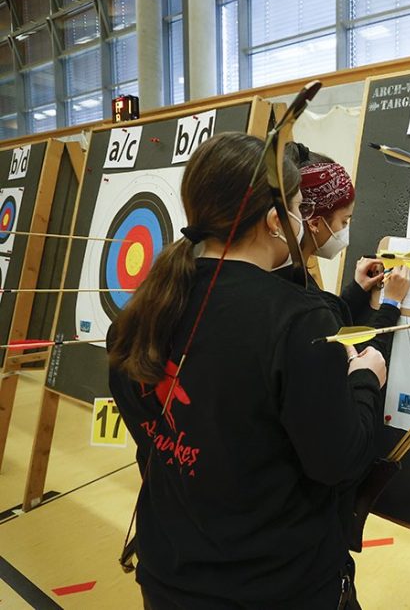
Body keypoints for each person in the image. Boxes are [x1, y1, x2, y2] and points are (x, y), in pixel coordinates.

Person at [108, 132, 385, 609]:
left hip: (170, 579)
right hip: (277, 587)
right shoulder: (297, 320)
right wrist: (364, 380)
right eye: (298, 207)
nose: (302, 219)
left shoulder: (147, 307)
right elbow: (340, 464)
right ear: (276, 221)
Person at [283, 142, 410, 363]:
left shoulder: (290, 274)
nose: (345, 230)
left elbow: (331, 323)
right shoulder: (298, 295)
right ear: (314, 222)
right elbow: (354, 360)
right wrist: (391, 304)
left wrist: (358, 291)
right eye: (344, 221)